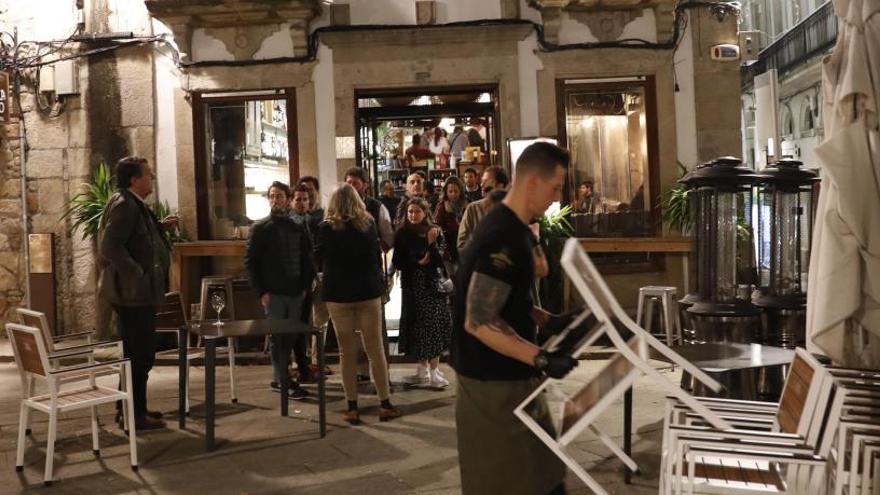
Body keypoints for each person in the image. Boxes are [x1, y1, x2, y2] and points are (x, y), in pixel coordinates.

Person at [452, 142, 579, 495]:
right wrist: (540, 357)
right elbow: (478, 319)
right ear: (534, 182)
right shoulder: (501, 237)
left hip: (514, 379)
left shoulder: (517, 228)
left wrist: (548, 320)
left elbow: (509, 297)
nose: (557, 197)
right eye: (555, 187)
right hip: (492, 385)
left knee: (546, 479)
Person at [98, 156, 175, 430]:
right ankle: (134, 414)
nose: (152, 177)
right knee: (140, 355)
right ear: (134, 179)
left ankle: (129, 408)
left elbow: (132, 239)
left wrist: (160, 228)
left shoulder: (134, 205)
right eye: (148, 174)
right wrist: (137, 273)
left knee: (135, 354)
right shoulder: (125, 206)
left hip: (135, 293)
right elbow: (110, 246)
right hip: (132, 295)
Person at [315, 184, 402, 424]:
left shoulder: (325, 228)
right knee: (375, 350)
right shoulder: (368, 225)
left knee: (347, 351)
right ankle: (385, 403)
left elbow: (320, 258)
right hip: (367, 292)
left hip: (338, 296)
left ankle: (352, 406)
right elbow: (376, 256)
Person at [245, 181, 314, 399]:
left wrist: (304, 287)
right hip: (273, 293)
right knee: (277, 338)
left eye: (280, 196)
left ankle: (279, 378)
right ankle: (284, 381)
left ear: (287, 198)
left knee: (291, 336)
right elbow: (251, 262)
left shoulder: (297, 227)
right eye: (272, 196)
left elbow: (306, 259)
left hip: (295, 292)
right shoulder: (260, 228)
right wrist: (261, 292)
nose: (275, 200)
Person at [393, 197, 452, 388]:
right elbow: (398, 261)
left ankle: (434, 370)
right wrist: (418, 260)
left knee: (432, 325)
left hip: (431, 286)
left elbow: (438, 259)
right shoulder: (402, 233)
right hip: (411, 287)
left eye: (417, 211)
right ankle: (422, 369)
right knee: (417, 326)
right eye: (410, 211)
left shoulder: (434, 231)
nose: (413, 215)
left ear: (425, 213)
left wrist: (430, 244)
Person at [456, 165, 510, 250]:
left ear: (500, 185)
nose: (481, 185)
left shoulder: (513, 210)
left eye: (486, 181)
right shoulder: (472, 209)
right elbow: (461, 244)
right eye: (482, 181)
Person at [345, 167, 394, 249]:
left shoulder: (377, 207)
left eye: (355, 183)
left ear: (365, 185)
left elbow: (388, 239)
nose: (351, 187)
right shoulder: (339, 206)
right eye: (349, 182)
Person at [434, 176, 467, 277]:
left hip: (464, 242)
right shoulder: (442, 206)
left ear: (460, 191)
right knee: (451, 276)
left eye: (456, 191)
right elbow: (436, 225)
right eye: (450, 191)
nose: (453, 194)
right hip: (448, 244)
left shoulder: (467, 204)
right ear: (446, 192)